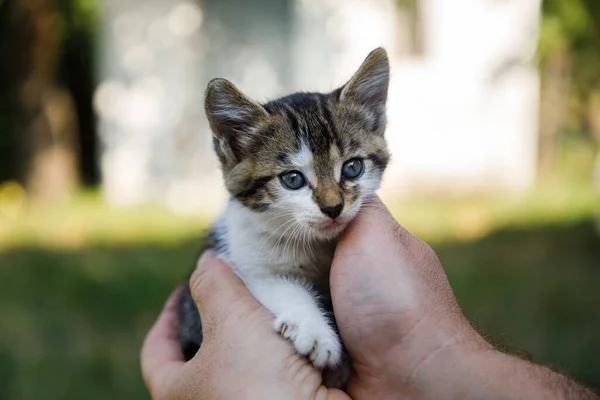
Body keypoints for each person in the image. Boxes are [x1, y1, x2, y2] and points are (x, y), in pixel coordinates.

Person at [141, 197, 598, 399]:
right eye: (295, 178)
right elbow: (260, 280)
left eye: (349, 170)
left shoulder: (361, 230)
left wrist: (424, 350)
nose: (331, 200)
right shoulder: (248, 233)